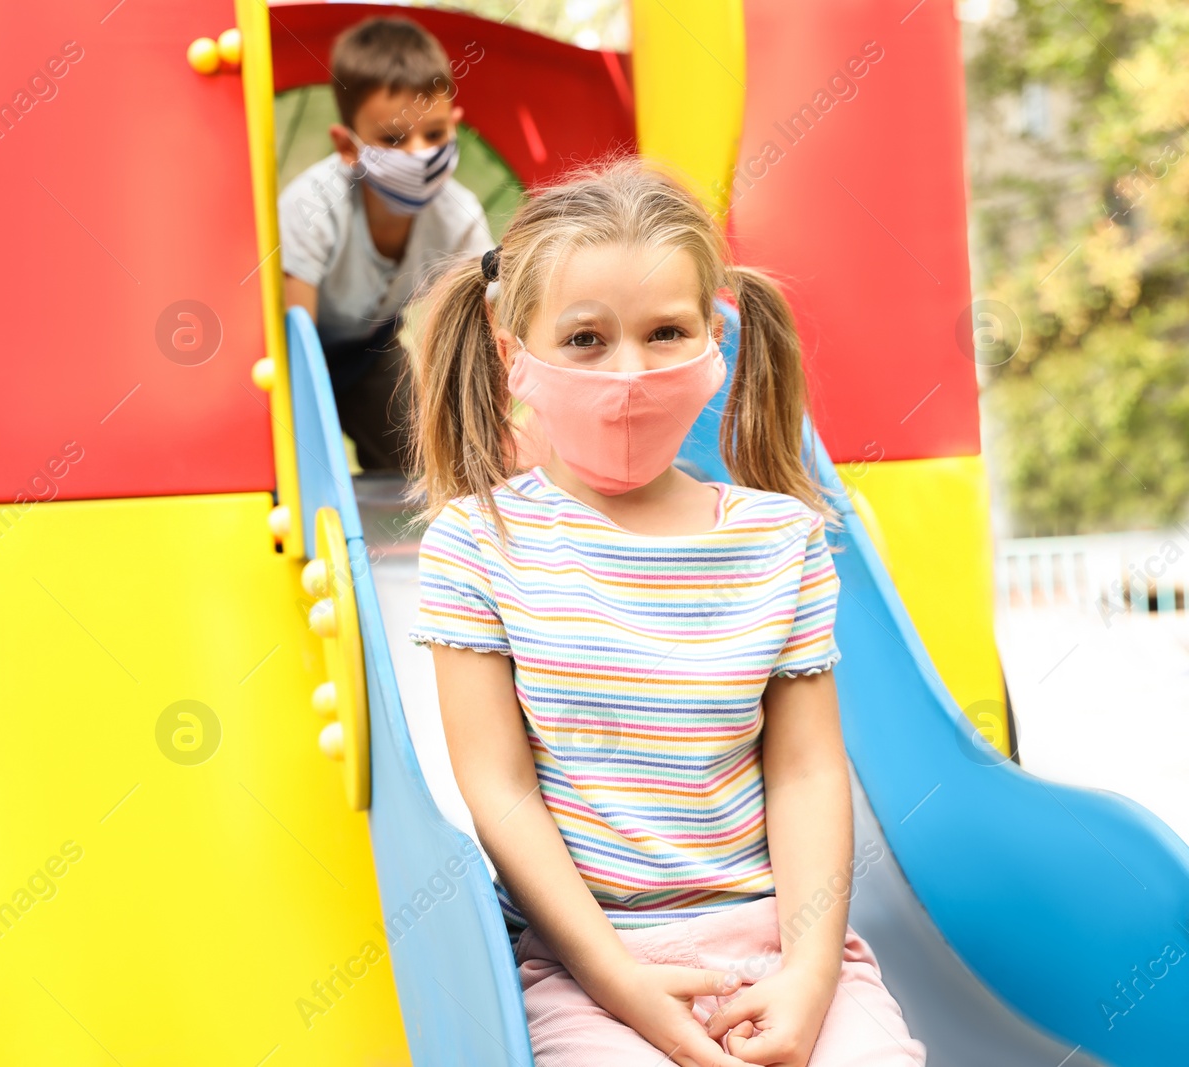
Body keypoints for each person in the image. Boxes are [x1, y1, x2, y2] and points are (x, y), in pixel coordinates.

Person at [405, 160, 928, 1067]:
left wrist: (805, 980)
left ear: (711, 339)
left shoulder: (782, 540)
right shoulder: (478, 544)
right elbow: (503, 790)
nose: (630, 374)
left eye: (664, 332)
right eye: (585, 339)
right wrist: (621, 982)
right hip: (586, 967)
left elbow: (806, 774)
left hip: (782, 948)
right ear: (511, 349)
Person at [279, 16, 493, 475]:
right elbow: (296, 343)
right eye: (393, 138)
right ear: (348, 147)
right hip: (296, 353)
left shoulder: (458, 216)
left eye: (434, 134)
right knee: (291, 466)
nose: (418, 153)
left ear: (455, 126)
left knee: (421, 460)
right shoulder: (312, 207)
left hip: (372, 351)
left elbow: (489, 322)